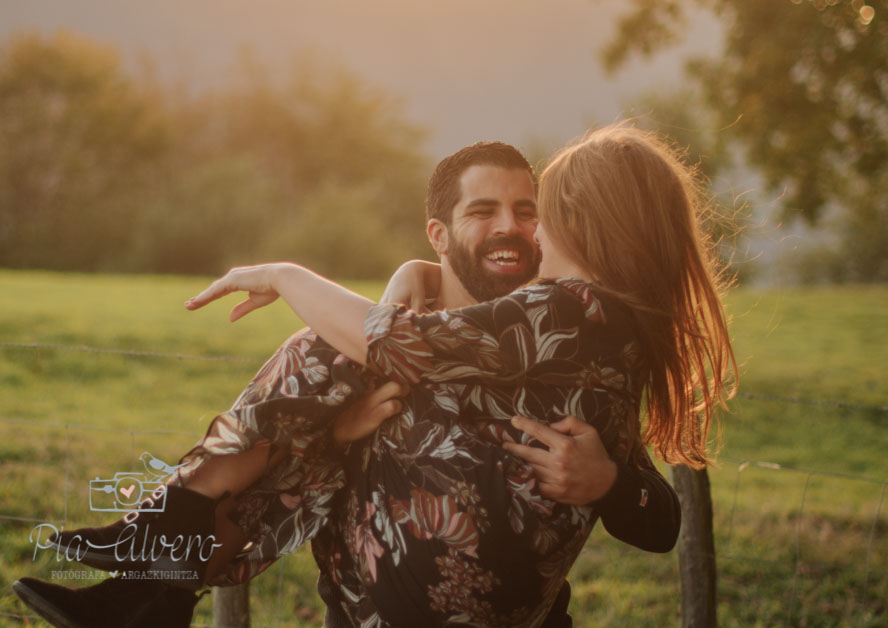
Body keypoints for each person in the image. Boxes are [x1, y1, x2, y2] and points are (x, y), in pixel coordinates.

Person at [13, 126, 731, 626]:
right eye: (488, 214)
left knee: (319, 350)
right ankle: (155, 578)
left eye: (537, 212)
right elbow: (421, 342)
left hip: (475, 610)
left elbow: (397, 341)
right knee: (332, 360)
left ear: (585, 221)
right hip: (372, 609)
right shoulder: (580, 330)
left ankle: (158, 557)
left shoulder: (565, 313)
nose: (524, 232)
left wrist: (286, 273)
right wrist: (400, 299)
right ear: (440, 235)